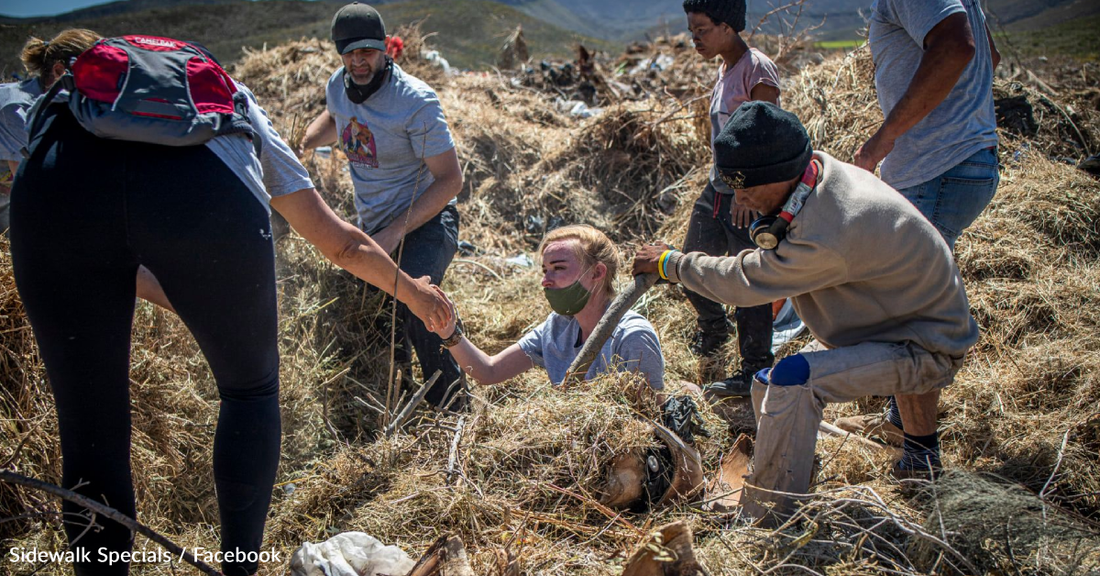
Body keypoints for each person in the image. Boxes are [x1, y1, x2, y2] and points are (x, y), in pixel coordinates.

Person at [10, 36, 450, 576]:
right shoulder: (231, 102)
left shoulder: (50, 104)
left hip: (57, 187)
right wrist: (415, 291)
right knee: (250, 389)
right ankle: (239, 569)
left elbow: (113, 247)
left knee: (88, 426)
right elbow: (340, 243)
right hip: (205, 194)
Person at [633, 102, 978, 523]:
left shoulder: (830, 228)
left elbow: (744, 282)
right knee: (764, 384)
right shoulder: (817, 173)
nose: (739, 199)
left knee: (789, 382)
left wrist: (672, 263)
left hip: (925, 345)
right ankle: (920, 461)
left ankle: (767, 516)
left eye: (745, 189)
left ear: (778, 175)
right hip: (904, 319)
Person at [846, 0, 1001, 455]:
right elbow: (987, 55)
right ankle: (904, 420)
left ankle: (918, 452)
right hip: (965, 157)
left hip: (935, 165)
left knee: (905, 307)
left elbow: (957, 45)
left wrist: (884, 139)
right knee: (919, 294)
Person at [300, 2, 464, 408]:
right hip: (373, 227)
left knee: (418, 304)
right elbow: (335, 116)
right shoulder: (338, 85)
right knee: (377, 316)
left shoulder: (414, 102)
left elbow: (451, 180)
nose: (359, 62)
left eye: (368, 52)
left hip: (426, 221)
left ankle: (453, 408)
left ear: (385, 50)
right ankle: (400, 399)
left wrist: (393, 232)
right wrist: (304, 143)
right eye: (350, 53)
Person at [681, 0, 782, 397]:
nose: (695, 40)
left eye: (702, 30)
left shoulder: (757, 68)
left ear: (727, 27)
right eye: (692, 31)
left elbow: (767, 133)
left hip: (745, 192)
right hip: (717, 186)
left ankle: (755, 368)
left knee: (748, 281)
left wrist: (746, 190)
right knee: (691, 263)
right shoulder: (725, 68)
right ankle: (715, 328)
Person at [429, 225, 665, 391]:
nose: (546, 280)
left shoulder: (632, 337)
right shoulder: (558, 328)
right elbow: (489, 371)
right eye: (545, 271)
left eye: (559, 268)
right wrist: (449, 332)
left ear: (597, 272)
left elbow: (646, 427)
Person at [1, 30, 99, 237]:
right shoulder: (17, 108)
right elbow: (32, 179)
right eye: (94, 75)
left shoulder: (53, 100)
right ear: (60, 71)